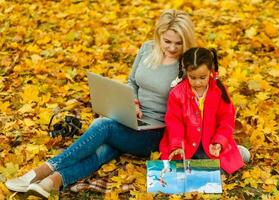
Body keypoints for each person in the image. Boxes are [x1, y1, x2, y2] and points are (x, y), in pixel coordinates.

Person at [5, 9, 196, 198]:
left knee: (102, 126)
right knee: (104, 150)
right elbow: (132, 82)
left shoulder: (187, 65)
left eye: (178, 43)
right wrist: (133, 101)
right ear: (158, 35)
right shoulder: (147, 49)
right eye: (167, 41)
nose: (172, 48)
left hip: (155, 132)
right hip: (131, 118)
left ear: (186, 41)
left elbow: (193, 105)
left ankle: (40, 171)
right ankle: (51, 182)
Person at [159, 47, 251, 174]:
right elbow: (174, 122)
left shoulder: (218, 91)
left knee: (218, 170)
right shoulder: (177, 93)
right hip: (186, 142)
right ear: (186, 72)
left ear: (211, 72)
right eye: (192, 77)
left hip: (211, 142)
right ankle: (233, 154)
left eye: (202, 77)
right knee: (176, 168)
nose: (197, 83)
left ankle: (234, 152)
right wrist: (177, 145)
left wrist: (219, 141)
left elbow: (226, 120)